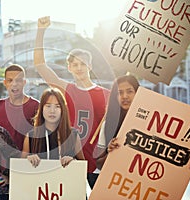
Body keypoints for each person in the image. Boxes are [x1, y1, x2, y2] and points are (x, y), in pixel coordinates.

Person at [34, 16, 109, 188]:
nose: (79, 67)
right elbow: (40, 64)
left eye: (83, 63)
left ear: (90, 65)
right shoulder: (67, 89)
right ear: (69, 68)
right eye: (75, 64)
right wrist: (41, 31)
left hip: (97, 162)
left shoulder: (106, 94)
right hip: (70, 159)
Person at [21, 87, 85, 168]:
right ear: (41, 109)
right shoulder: (31, 136)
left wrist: (74, 162)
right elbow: (21, 167)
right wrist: (28, 159)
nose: (52, 111)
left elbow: (83, 167)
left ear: (63, 109)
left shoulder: (72, 135)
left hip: (64, 180)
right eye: (48, 106)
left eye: (57, 106)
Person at [95, 74, 140, 170]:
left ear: (138, 93)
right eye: (120, 92)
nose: (125, 96)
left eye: (129, 91)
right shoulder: (107, 125)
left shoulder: (150, 124)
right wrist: (110, 152)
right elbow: (99, 164)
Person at [0, 64, 39, 151]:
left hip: (25, 162)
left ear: (24, 82)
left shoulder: (36, 106)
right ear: (5, 83)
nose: (14, 84)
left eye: (18, 80)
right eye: (10, 80)